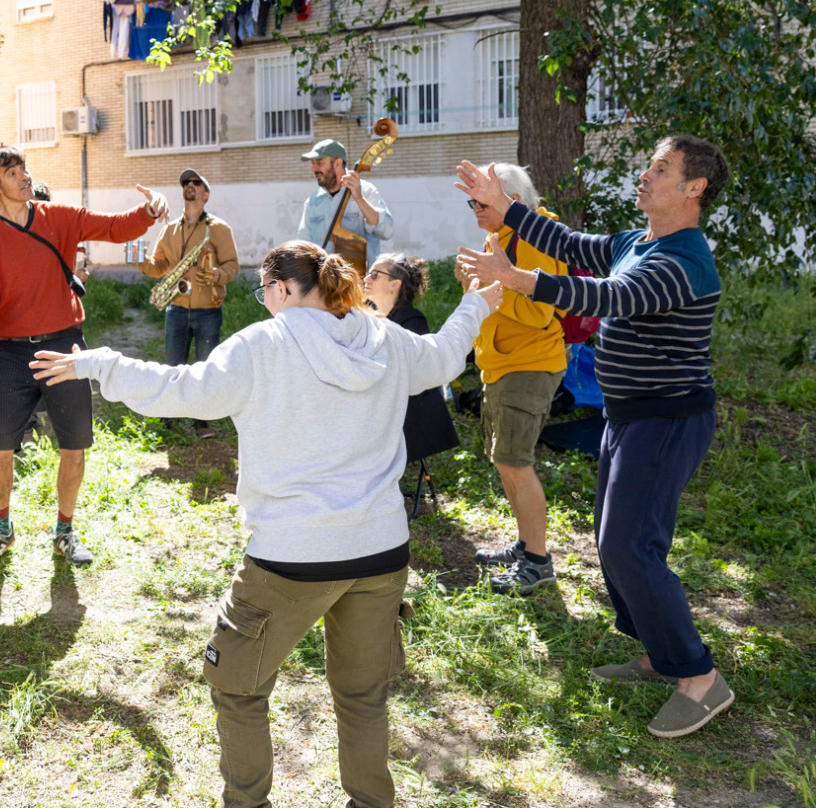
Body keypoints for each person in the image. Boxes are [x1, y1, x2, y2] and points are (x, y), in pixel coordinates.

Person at [30, 240, 502, 808]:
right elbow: (446, 355)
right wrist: (477, 301)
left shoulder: (263, 344)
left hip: (290, 559)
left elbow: (181, 389)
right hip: (381, 550)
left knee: (236, 685)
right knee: (363, 696)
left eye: (263, 292)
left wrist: (97, 363)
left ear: (279, 290)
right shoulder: (385, 338)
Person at [456, 136, 732, 739]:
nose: (644, 175)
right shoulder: (638, 242)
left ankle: (699, 678)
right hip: (629, 416)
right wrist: (506, 205)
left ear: (694, 188)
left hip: (667, 419)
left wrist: (514, 277)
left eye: (661, 169)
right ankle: (661, 655)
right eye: (649, 165)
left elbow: (607, 295)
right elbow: (569, 244)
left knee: (630, 546)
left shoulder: (684, 262)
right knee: (616, 544)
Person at [0, 146, 167, 580]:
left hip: (64, 347)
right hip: (10, 352)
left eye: (24, 169)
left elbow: (113, 227)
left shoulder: (58, 217)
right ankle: (2, 530)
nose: (24, 176)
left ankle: (64, 531)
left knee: (73, 447)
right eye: (12, 172)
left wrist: (149, 212)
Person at [453, 165, 570, 595]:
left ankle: (538, 562)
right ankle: (525, 545)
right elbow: (494, 298)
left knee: (516, 464)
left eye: (483, 202)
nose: (476, 210)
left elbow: (540, 313)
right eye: (472, 202)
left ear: (513, 201)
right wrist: (473, 283)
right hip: (503, 365)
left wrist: (492, 284)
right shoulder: (500, 237)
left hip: (528, 364)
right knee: (505, 460)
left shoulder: (534, 237)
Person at [137, 167, 240, 440]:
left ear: (206, 195)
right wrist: (140, 261)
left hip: (208, 310)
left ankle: (202, 421)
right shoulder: (169, 230)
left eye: (196, 182)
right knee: (173, 366)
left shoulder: (219, 229)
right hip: (177, 309)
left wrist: (218, 274)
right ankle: (169, 418)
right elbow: (159, 266)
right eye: (186, 183)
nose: (189, 185)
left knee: (205, 367)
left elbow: (233, 265)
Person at [361, 253, 461, 511]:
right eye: (368, 273)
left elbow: (411, 376)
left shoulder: (411, 319)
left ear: (394, 285)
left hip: (410, 415)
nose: (366, 279)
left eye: (375, 275)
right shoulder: (368, 318)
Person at [297, 138, 394, 267]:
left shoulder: (366, 191)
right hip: (323, 278)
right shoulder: (313, 201)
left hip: (359, 277)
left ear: (338, 163)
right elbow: (303, 244)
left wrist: (359, 198)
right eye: (313, 163)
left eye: (319, 163)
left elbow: (386, 232)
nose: (314, 169)